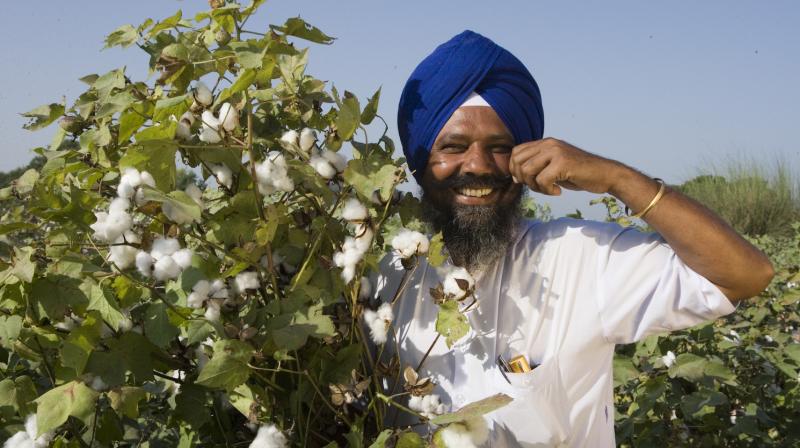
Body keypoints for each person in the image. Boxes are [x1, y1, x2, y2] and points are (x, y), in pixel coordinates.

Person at [374, 30, 774, 447]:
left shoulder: (579, 256)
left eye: (500, 147)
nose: (477, 165)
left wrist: (617, 178)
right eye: (453, 147)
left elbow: (745, 275)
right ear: (420, 164)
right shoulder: (382, 277)